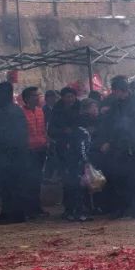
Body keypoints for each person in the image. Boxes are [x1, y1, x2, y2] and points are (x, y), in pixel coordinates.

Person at [96, 76, 135, 218]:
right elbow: (110, 126)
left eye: (115, 90)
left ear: (122, 90)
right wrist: (107, 141)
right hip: (118, 148)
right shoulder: (114, 105)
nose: (114, 93)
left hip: (134, 146)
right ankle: (120, 209)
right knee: (119, 179)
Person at [0, 82, 29, 224]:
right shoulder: (10, 109)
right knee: (8, 186)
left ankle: (13, 214)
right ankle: (12, 213)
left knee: (10, 185)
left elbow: (8, 135)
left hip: (10, 155)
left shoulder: (9, 111)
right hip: (8, 154)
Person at [47, 87, 84, 220]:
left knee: (79, 179)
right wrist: (64, 131)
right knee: (67, 179)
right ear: (62, 98)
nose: (70, 99)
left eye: (72, 96)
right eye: (67, 96)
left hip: (80, 149)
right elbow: (51, 130)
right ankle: (69, 208)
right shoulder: (56, 111)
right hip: (63, 149)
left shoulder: (81, 108)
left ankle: (80, 208)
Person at [21, 87, 49, 217]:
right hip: (28, 150)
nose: (37, 97)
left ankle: (36, 207)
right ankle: (28, 208)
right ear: (26, 99)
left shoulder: (40, 111)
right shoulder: (21, 112)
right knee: (28, 180)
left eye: (38, 95)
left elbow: (43, 129)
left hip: (41, 149)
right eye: (34, 95)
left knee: (37, 179)